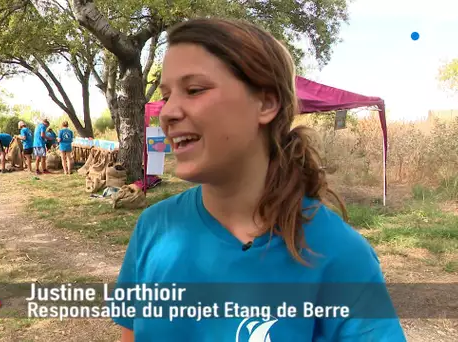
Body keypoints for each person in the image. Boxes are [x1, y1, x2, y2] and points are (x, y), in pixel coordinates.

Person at [111, 18, 407, 342]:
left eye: (194, 90)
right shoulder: (153, 227)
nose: (167, 113)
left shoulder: (341, 256)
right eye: (167, 96)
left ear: (266, 103)